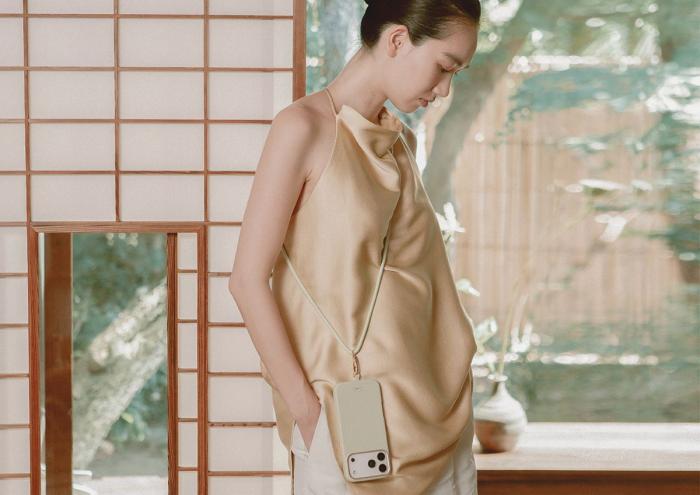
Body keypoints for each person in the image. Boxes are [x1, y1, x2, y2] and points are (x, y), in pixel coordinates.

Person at [229, 0, 481, 493]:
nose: (444, 89)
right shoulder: (302, 128)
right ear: (397, 40)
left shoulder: (399, 143)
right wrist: (306, 410)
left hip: (436, 413)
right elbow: (246, 280)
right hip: (348, 423)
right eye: (444, 66)